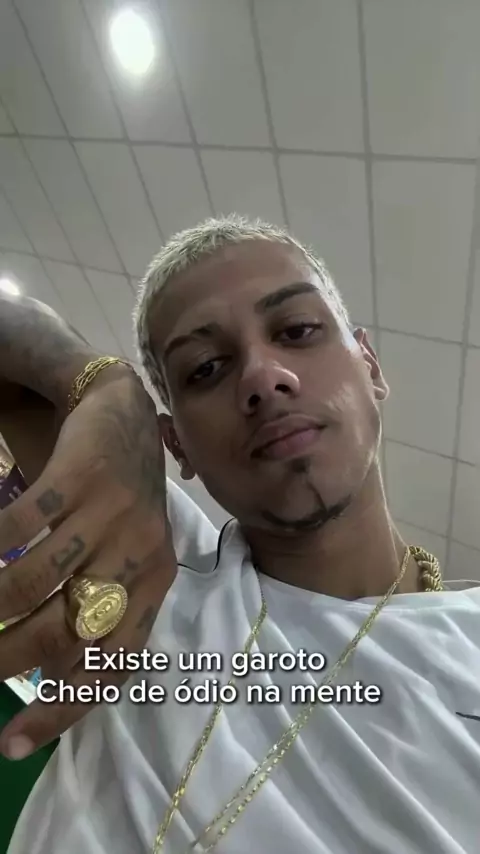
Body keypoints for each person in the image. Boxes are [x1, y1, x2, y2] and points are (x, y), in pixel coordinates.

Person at [0, 215, 479, 853]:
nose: (261, 376)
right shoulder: (146, 570)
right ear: (176, 444)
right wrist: (104, 384)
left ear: (369, 365)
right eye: (205, 368)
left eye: (297, 330)